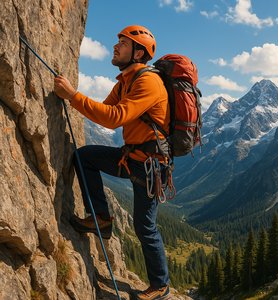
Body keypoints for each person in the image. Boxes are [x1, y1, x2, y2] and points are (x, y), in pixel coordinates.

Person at [54, 25, 171, 300]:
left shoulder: (148, 82)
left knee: (145, 227)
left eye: (123, 43)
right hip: (132, 158)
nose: (116, 46)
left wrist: (72, 95)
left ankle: (161, 285)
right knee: (85, 158)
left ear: (138, 52)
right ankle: (102, 220)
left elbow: (114, 117)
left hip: (151, 167)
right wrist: (73, 98)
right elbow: (104, 112)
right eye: (117, 41)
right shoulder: (125, 81)